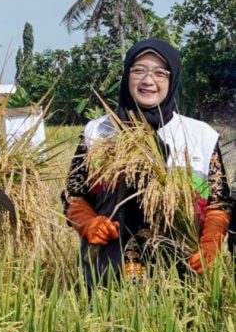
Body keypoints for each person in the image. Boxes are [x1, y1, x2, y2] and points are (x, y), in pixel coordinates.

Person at [62, 38, 231, 282]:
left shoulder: (199, 136)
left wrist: (210, 241)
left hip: (180, 276)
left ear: (172, 80)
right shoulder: (98, 133)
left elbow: (218, 202)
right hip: (108, 274)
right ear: (127, 76)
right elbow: (74, 195)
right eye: (139, 70)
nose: (148, 80)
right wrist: (88, 222)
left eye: (160, 73)